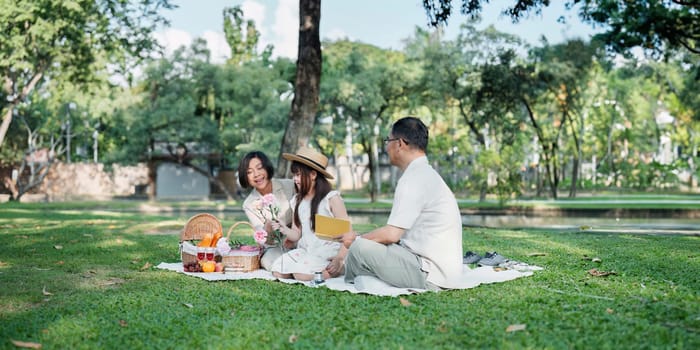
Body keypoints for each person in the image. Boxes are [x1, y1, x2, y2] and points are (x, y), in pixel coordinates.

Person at [340, 116, 463, 290]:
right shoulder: (424, 173)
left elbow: (391, 234)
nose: (386, 146)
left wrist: (356, 240)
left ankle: (346, 276)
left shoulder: (414, 178)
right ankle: (362, 274)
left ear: (399, 144)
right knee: (368, 245)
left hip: (431, 274)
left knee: (360, 248)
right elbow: (395, 235)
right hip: (435, 268)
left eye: (387, 140)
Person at [269, 146, 350, 282]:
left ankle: (337, 270)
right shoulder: (297, 200)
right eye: (294, 175)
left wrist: (339, 259)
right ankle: (312, 268)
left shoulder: (331, 198)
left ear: (313, 175)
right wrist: (284, 228)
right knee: (278, 270)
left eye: (299, 175)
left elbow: (347, 234)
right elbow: (296, 234)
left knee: (301, 275)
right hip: (307, 249)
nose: (295, 179)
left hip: (328, 251)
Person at [238, 151, 295, 270]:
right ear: (245, 177)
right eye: (249, 172)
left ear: (267, 168)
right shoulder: (249, 204)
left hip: (299, 238)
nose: (256, 174)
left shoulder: (290, 186)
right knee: (272, 262)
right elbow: (265, 240)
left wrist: (292, 233)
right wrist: (268, 228)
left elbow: (304, 212)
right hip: (276, 246)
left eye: (259, 168)